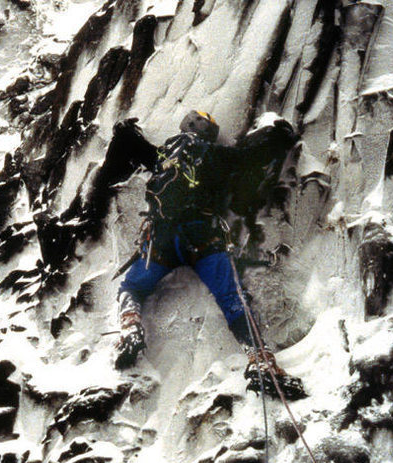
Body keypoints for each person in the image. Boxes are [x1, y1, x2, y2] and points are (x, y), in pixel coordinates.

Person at [111, 110, 305, 399]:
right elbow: (248, 157)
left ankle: (130, 326)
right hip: (201, 236)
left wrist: (126, 131)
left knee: (132, 286)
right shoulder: (212, 154)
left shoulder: (164, 155)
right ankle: (260, 360)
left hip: (162, 239)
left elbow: (135, 147)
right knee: (232, 297)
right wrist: (277, 136)